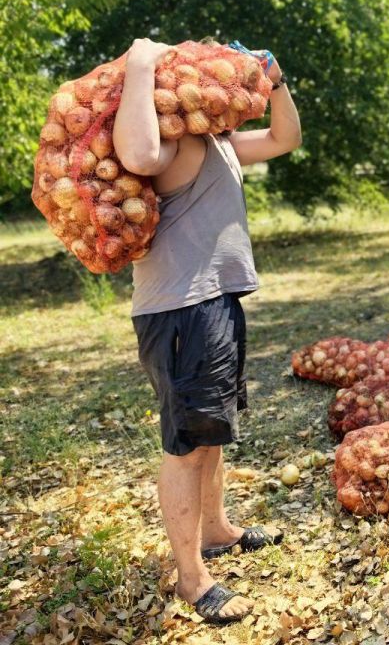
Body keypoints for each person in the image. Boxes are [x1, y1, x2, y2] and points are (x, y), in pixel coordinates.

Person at [114, 38, 302, 624]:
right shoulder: (166, 138)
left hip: (213, 301)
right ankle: (192, 579)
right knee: (187, 445)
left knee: (211, 430)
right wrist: (142, 60)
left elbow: (282, 139)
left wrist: (276, 83)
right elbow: (140, 157)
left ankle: (217, 529)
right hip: (180, 309)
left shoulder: (213, 141)